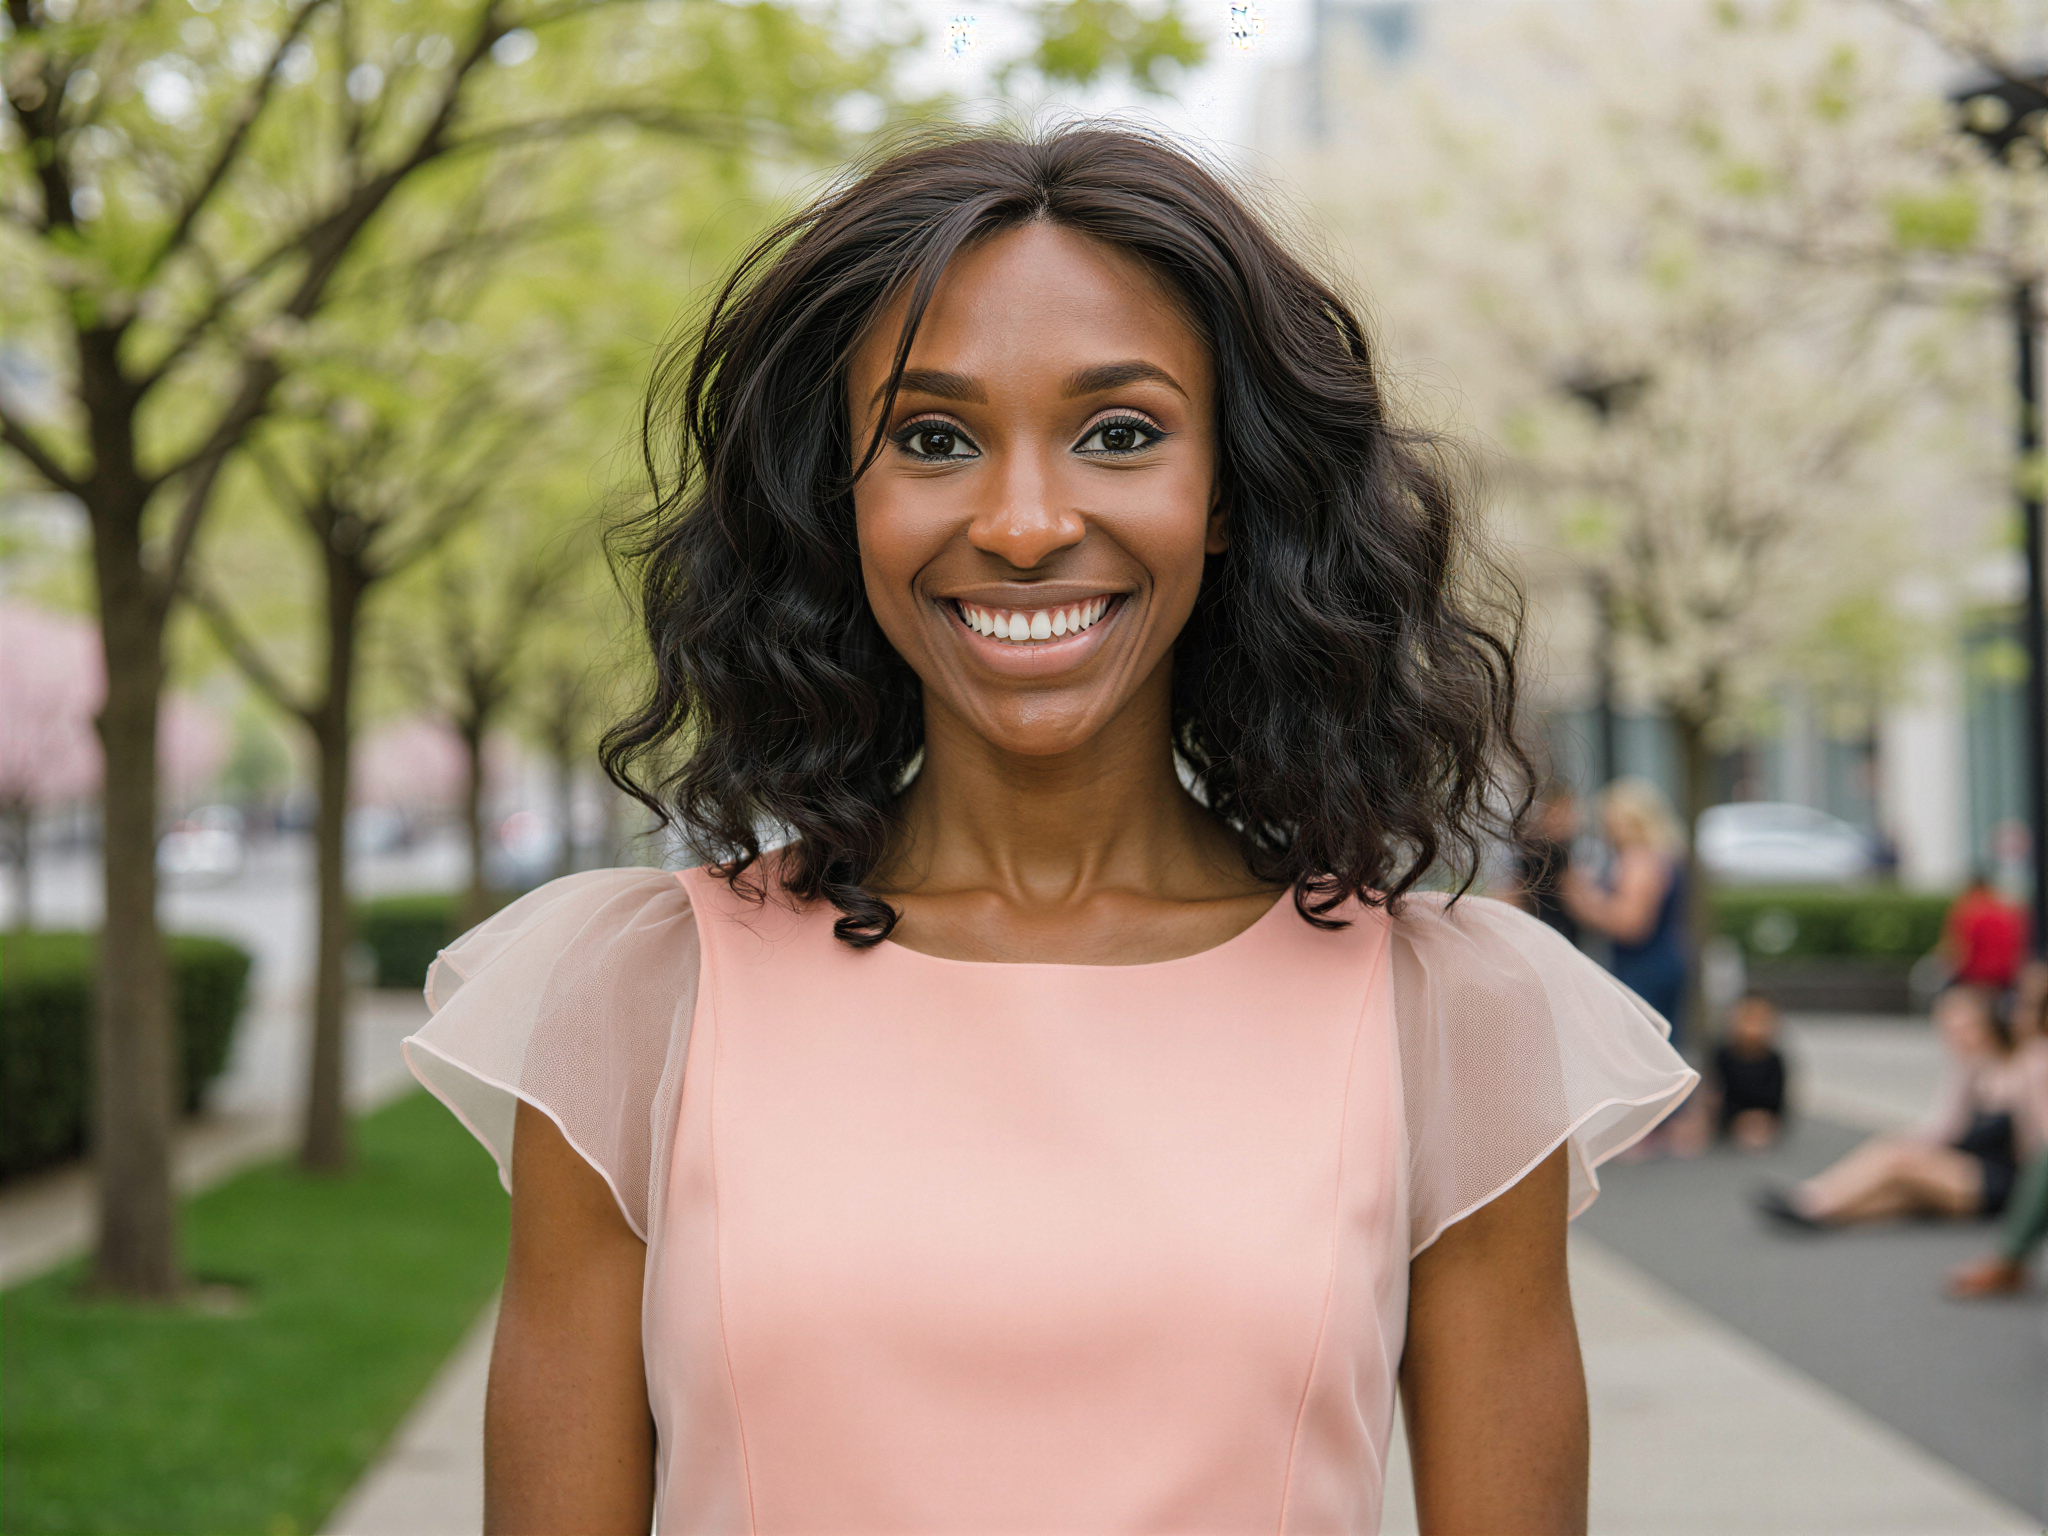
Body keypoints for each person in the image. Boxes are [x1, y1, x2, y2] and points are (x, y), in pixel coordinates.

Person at [402, 126, 1694, 1535]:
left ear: (1226, 496)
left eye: (1121, 433)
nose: (1024, 522)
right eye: (933, 437)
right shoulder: (636, 999)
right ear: (844, 504)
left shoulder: (1452, 1018)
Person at [1758, 986, 2041, 1230]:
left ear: (1989, 1023)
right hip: (1966, 1172)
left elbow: (2033, 1140)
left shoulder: (2021, 1067)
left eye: (1966, 1027)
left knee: (1898, 1161)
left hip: (2000, 1181)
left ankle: (1812, 1200)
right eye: (1951, 1028)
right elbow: (1942, 1126)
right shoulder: (1968, 1070)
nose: (1958, 1036)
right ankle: (1823, 1215)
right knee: (1900, 1191)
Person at [1947, 965, 2048, 1298]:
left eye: (2027, 1005)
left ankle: (2008, 1259)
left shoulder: (2035, 1060)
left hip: (2009, 1173)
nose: (2016, 1014)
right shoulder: (2025, 1058)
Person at [1565, 777, 1690, 1044]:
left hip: (1643, 967)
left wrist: (1582, 900)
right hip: (1662, 960)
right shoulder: (1661, 855)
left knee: (1646, 1046)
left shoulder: (1639, 860)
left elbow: (1632, 925)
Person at [1500, 784, 1581, 945]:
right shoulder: (1556, 851)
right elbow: (1573, 896)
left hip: (1536, 924)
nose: (1572, 818)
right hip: (1556, 926)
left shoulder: (1529, 845)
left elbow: (1516, 887)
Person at [1711, 993, 1789, 1150]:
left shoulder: (1773, 1059)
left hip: (1764, 1115)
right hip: (1728, 1116)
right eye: (1747, 1019)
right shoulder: (1723, 1055)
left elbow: (1777, 1099)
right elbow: (1715, 1091)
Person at [1940, 870, 2030, 996]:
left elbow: (1960, 950)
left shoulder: (1968, 910)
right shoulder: (2007, 911)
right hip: (2005, 977)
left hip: (1976, 977)